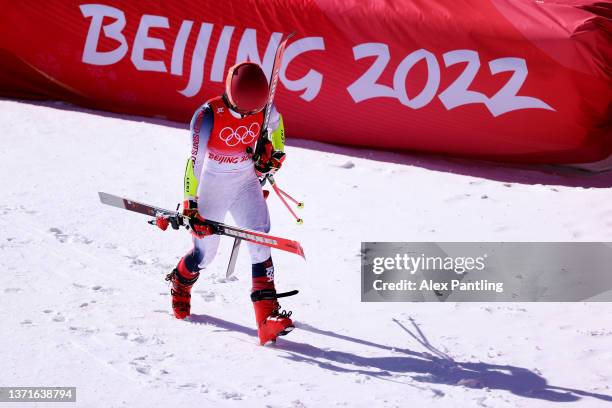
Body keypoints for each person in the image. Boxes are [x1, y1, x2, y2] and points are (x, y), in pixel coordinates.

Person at [162, 62, 292, 345]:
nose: (249, 115)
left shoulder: (264, 107)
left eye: (253, 111)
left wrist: (277, 153)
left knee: (260, 240)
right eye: (243, 111)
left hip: (246, 182)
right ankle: (180, 282)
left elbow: (277, 124)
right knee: (205, 256)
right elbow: (193, 162)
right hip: (213, 187)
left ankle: (267, 318)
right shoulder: (207, 116)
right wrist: (190, 203)